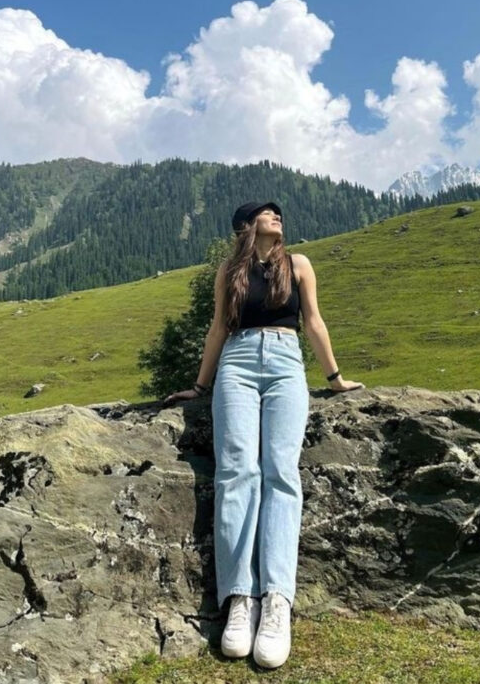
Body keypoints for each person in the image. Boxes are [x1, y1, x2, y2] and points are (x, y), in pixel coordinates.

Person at [163, 201, 364, 669]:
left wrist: (335, 379)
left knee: (280, 473)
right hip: (235, 362)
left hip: (284, 362)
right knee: (237, 471)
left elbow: (312, 321)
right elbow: (217, 327)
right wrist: (199, 386)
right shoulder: (228, 271)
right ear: (246, 226)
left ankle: (276, 601)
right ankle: (239, 600)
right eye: (266, 213)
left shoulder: (298, 264)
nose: (277, 216)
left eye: (278, 213)